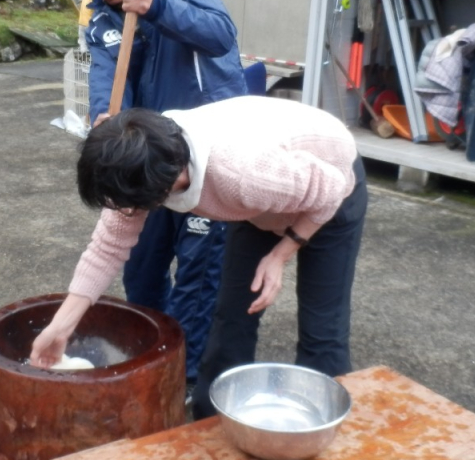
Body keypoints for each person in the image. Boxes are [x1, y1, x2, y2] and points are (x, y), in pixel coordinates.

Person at [30, 97, 369, 419]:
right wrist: (60, 327)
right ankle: (215, 420)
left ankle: (322, 425)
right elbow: (107, 247)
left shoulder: (243, 176)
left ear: (168, 184)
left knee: (321, 327)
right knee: (232, 315)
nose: (126, 211)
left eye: (130, 205)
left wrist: (281, 253)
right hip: (263, 204)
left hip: (330, 185)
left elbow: (332, 189)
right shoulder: (141, 158)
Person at [67, 0, 247, 391]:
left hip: (210, 157)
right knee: (142, 272)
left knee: (198, 276)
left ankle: (183, 381)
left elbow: (221, 35)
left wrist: (158, 6)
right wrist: (107, 121)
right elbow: (108, 76)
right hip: (149, 163)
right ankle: (155, 354)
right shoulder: (102, 12)